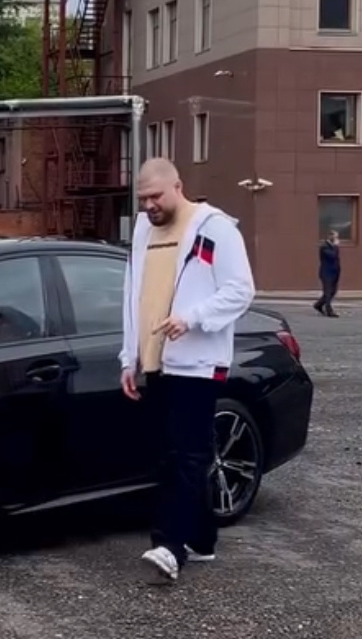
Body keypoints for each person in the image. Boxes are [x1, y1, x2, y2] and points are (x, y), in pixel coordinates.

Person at [119, 158, 256, 583]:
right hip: (156, 360)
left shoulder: (214, 228)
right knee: (172, 452)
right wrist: (129, 357)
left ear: (178, 187)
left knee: (185, 455)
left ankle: (170, 547)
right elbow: (133, 296)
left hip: (198, 363)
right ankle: (202, 539)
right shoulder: (143, 232)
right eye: (143, 199)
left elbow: (241, 290)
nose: (149, 205)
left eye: (156, 196)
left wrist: (192, 318)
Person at [314, 230, 340, 317]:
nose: (337, 239)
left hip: (334, 273)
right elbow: (332, 256)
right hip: (326, 273)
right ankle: (329, 311)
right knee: (328, 292)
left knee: (333, 291)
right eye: (335, 237)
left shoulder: (333, 247)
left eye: (337, 237)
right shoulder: (324, 247)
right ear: (330, 236)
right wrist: (335, 246)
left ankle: (318, 305)